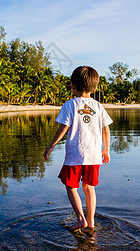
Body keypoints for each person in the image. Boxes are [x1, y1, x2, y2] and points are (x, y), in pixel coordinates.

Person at [43, 66, 112, 231]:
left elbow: (63, 128)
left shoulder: (70, 105)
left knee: (71, 186)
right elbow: (106, 129)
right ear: (94, 87)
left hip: (75, 155)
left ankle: (81, 219)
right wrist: (106, 149)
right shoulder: (98, 106)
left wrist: (51, 146)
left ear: (73, 85)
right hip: (94, 155)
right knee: (89, 187)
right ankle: (91, 222)